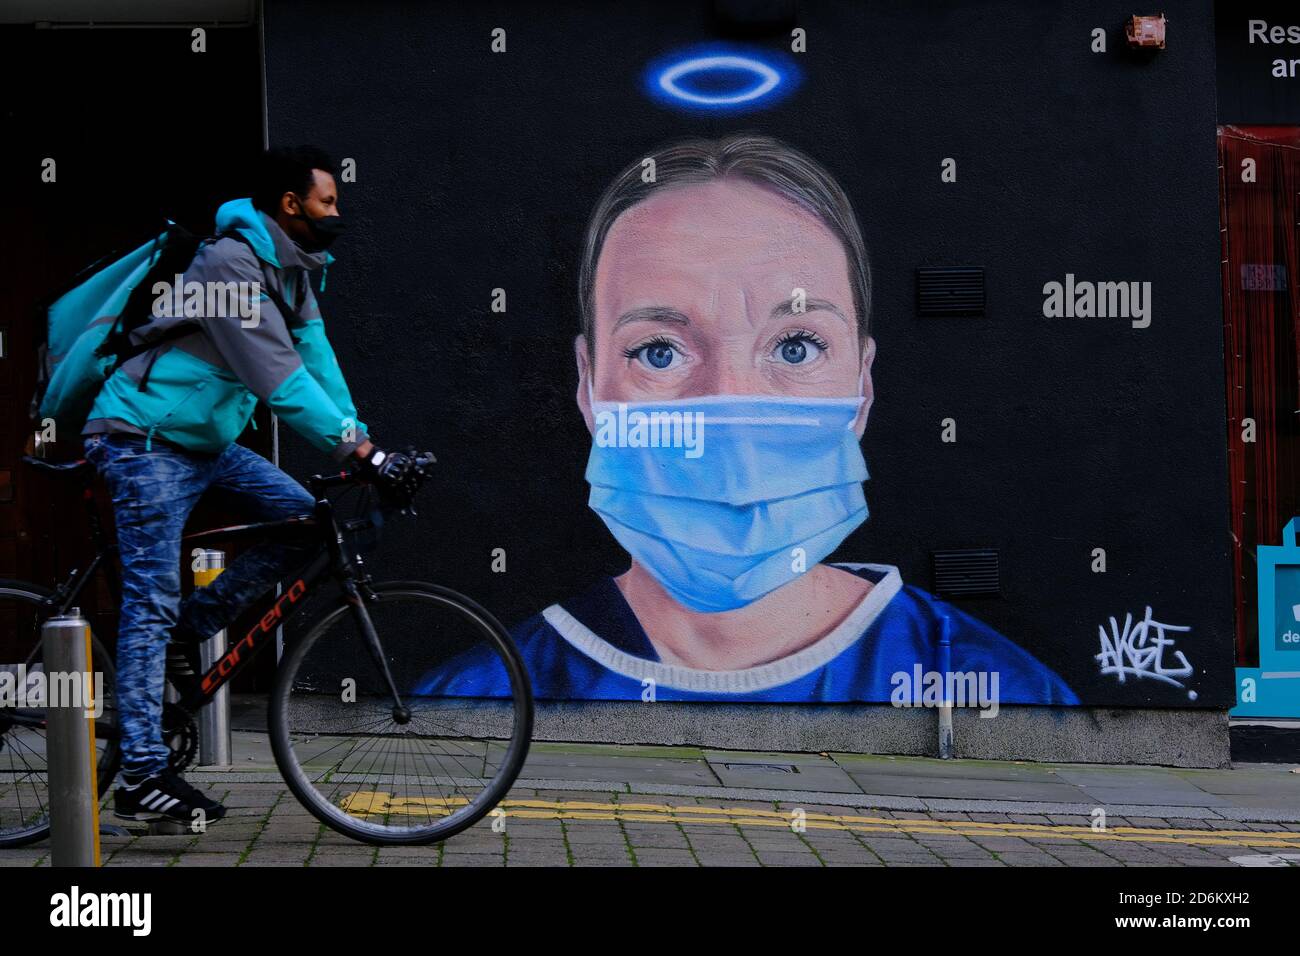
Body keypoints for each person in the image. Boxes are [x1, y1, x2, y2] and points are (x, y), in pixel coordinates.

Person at [418, 133, 1077, 705]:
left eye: (795, 346)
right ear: (589, 388)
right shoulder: (480, 695)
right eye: (658, 351)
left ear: (863, 384)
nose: (727, 411)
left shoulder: (994, 685)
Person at [83, 146, 412, 826]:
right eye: (328, 201)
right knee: (151, 596)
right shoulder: (230, 263)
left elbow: (318, 364)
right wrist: (363, 453)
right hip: (144, 438)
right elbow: (279, 380)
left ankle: (189, 629)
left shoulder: (296, 273)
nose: (337, 212)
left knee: (300, 518)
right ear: (290, 205)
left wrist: (362, 446)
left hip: (201, 441)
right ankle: (141, 774)